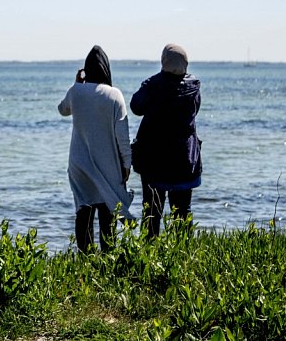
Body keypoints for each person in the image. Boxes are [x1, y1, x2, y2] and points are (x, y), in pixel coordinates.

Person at [58, 45, 133, 252]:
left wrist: (77, 84)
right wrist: (127, 164)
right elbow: (122, 137)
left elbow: (62, 110)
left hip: (79, 165)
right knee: (107, 212)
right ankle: (107, 259)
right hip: (108, 165)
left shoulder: (76, 92)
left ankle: (85, 260)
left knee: (84, 211)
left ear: (86, 70)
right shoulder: (114, 95)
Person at [130, 43, 202, 237]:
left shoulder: (154, 85)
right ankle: (183, 252)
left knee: (152, 213)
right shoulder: (194, 87)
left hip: (155, 160)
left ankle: (149, 253)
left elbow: (136, 106)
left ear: (164, 62)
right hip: (184, 159)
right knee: (182, 212)